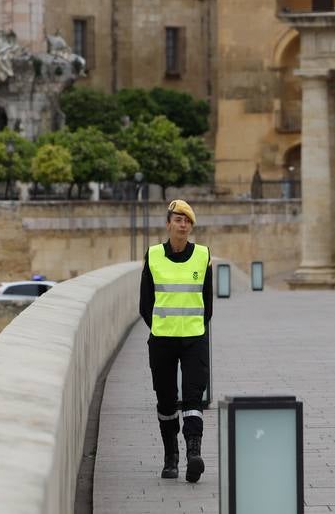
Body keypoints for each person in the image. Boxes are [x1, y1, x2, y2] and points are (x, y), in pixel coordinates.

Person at [139, 199, 213, 483]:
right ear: (168, 223)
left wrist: (196, 327)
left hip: (194, 338)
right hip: (162, 340)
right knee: (167, 401)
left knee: (193, 398)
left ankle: (194, 452)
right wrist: (160, 326)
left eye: (187, 221)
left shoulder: (202, 255)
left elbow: (207, 302)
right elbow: (145, 303)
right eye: (178, 220)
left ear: (191, 227)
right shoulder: (154, 256)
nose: (183, 225)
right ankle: (171, 456)